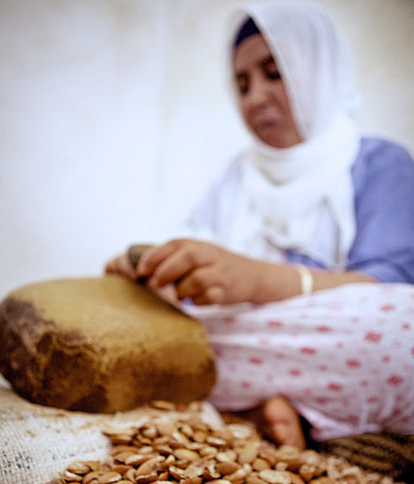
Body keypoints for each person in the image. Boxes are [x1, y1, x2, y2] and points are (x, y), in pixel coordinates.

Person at [106, 0, 414, 449]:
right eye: (242, 83)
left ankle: (247, 409)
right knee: (138, 328)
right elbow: (197, 276)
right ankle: (284, 416)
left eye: (275, 72)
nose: (255, 99)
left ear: (321, 73)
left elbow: (389, 287)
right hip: (240, 339)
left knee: (404, 330)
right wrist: (154, 273)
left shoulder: (379, 162)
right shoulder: (234, 178)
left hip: (330, 348)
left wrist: (257, 281)